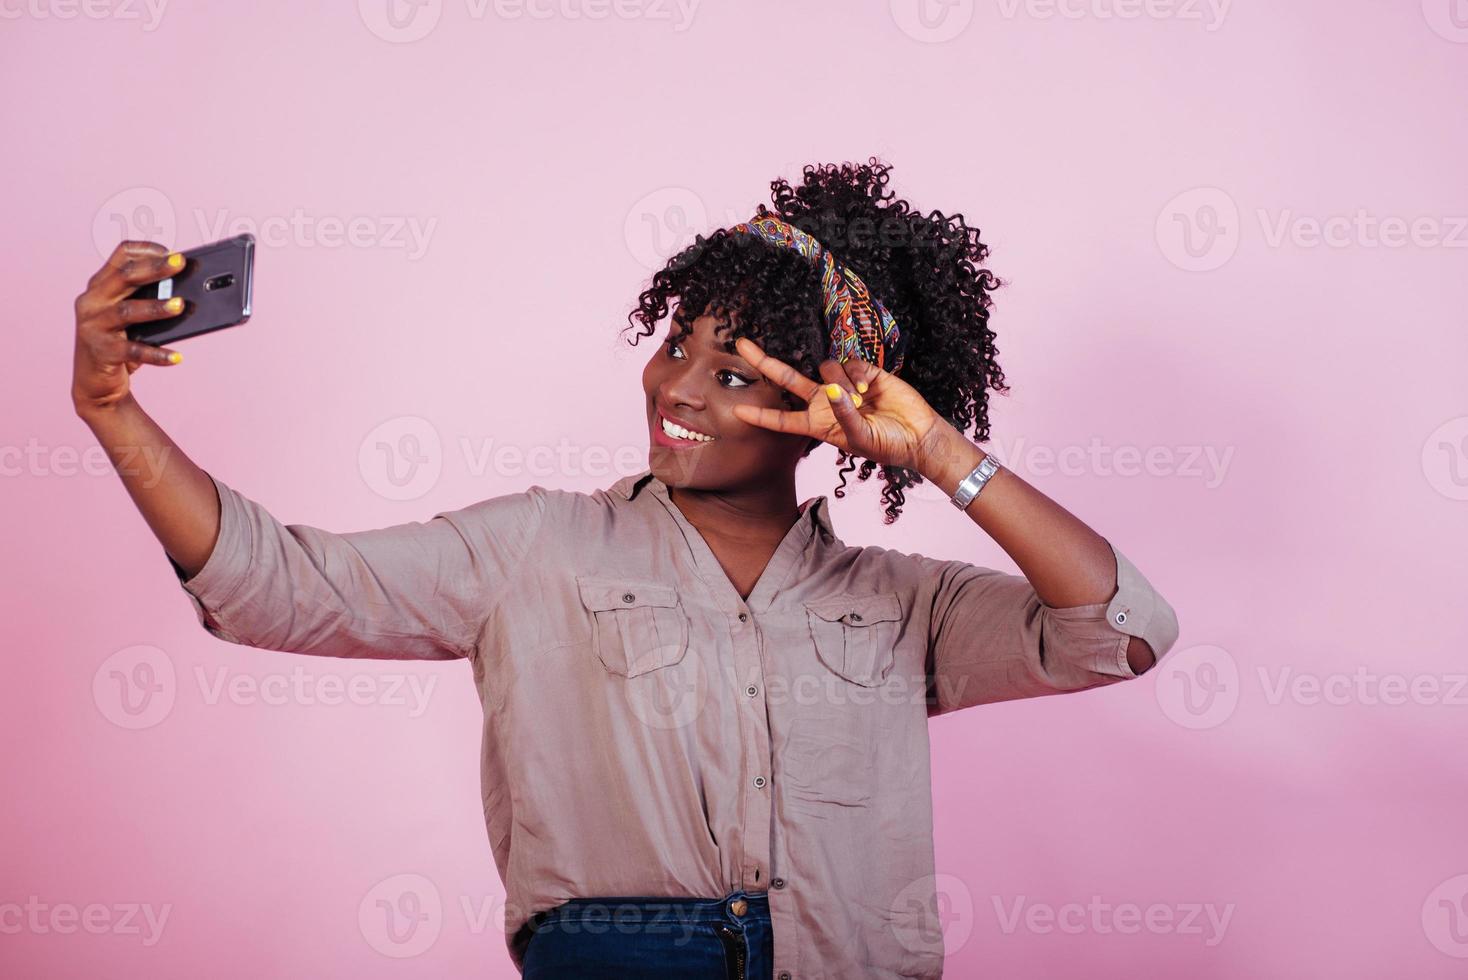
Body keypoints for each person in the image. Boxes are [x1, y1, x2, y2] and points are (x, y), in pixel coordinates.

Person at [72, 158, 1179, 979]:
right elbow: (282, 581)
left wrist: (940, 452)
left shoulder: (901, 604)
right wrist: (112, 408)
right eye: (678, 343)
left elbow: (1120, 627)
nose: (680, 389)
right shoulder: (534, 547)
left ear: (828, 405)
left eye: (737, 370)